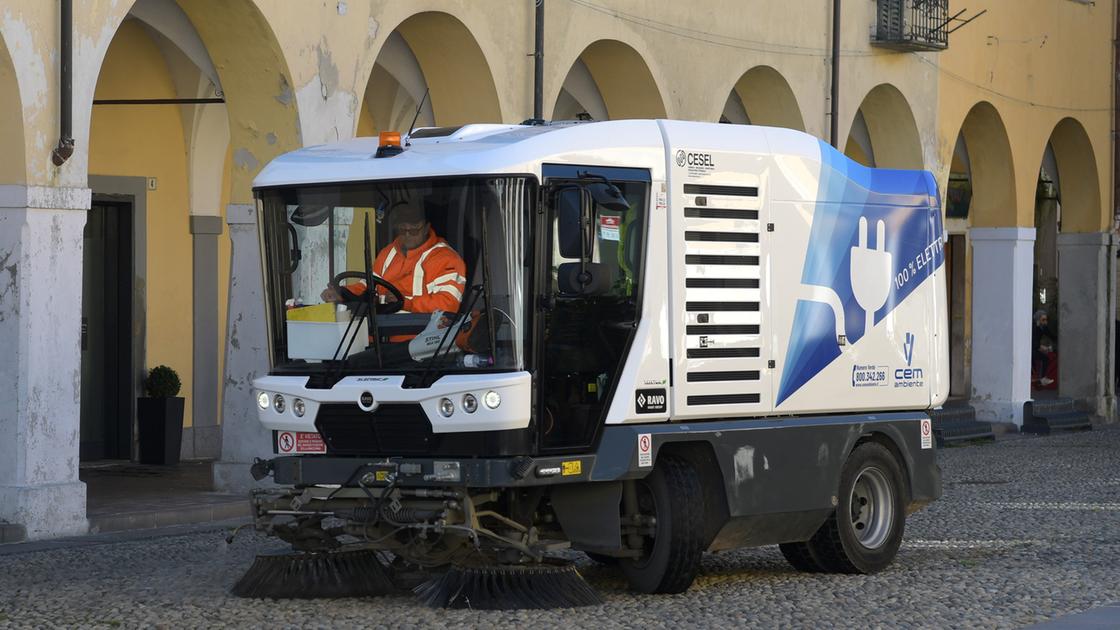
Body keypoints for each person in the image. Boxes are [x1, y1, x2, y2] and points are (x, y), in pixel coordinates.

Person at [321, 202, 466, 315]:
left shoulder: (446, 258)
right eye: (403, 229)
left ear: (427, 227)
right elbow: (367, 286)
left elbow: (448, 304)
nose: (408, 234)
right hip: (380, 337)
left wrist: (405, 302)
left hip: (421, 343)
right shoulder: (388, 252)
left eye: (414, 229)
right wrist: (342, 294)